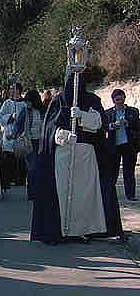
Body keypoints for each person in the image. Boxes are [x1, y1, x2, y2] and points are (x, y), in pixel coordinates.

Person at [31, 68, 119, 244]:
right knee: (64, 195)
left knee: (84, 195)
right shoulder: (58, 101)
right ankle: (63, 230)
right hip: (63, 155)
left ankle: (83, 230)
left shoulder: (93, 100)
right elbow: (48, 129)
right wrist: (62, 135)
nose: (74, 86)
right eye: (71, 81)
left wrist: (82, 116)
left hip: (86, 155)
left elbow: (99, 124)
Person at [105, 89, 140, 201]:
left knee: (129, 171)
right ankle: (110, 194)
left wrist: (128, 123)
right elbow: (103, 127)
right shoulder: (107, 113)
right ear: (113, 101)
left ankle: (130, 195)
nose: (119, 102)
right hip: (114, 146)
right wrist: (112, 125)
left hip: (129, 145)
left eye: (121, 99)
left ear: (125, 98)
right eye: (117, 100)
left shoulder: (133, 111)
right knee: (112, 171)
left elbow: (137, 126)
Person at [0, 83, 27, 189]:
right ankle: (9, 179)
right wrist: (10, 117)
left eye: (13, 89)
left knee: (20, 158)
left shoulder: (24, 104)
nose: (11, 91)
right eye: (10, 89)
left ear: (18, 90)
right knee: (8, 158)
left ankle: (20, 179)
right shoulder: (7, 103)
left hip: (20, 135)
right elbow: (0, 117)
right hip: (8, 134)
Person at [23, 90, 44, 201]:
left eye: (29, 101)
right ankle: (32, 193)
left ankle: (38, 191)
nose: (27, 104)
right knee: (32, 168)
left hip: (40, 142)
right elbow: (20, 124)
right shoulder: (26, 111)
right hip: (29, 142)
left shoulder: (42, 110)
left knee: (38, 167)